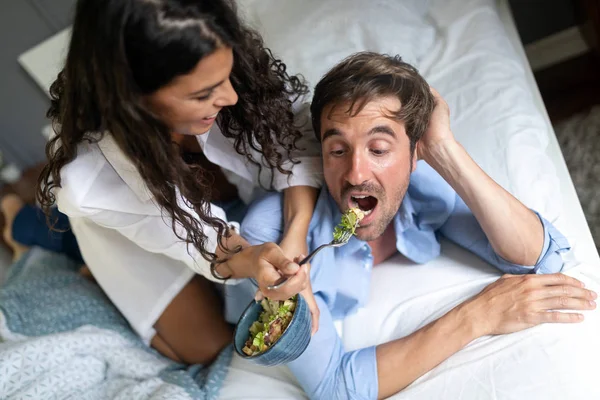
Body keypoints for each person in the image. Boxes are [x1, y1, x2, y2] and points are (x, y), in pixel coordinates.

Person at [233, 52, 597, 399]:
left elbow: (542, 256)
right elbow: (336, 386)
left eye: (378, 149)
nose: (356, 174)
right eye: (338, 150)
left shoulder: (417, 190)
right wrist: (479, 314)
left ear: (413, 154)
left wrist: (443, 148)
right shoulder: (270, 238)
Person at [36, 0, 322, 365]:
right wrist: (250, 259)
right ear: (134, 101)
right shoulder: (92, 178)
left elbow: (294, 148)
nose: (231, 97)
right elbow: (202, 242)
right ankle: (21, 222)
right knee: (209, 352)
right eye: (203, 94)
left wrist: (294, 238)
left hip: (196, 202)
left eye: (226, 76)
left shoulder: (217, 53)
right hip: (120, 216)